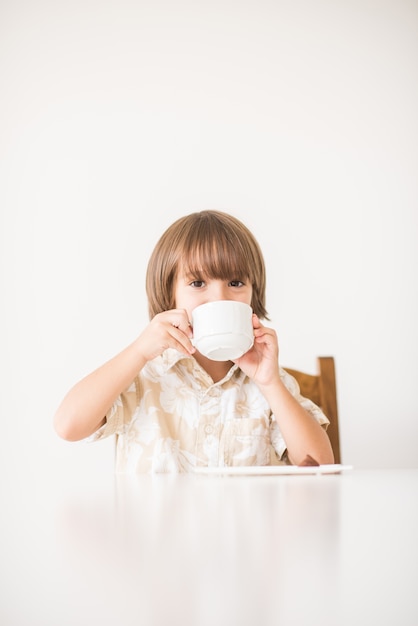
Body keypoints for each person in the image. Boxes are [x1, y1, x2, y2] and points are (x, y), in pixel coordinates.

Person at [54, 210, 334, 472]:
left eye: (235, 283)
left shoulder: (268, 382)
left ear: (253, 295)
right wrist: (139, 351)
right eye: (198, 283)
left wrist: (270, 383)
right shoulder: (144, 375)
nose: (219, 298)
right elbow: (68, 426)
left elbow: (320, 466)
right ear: (169, 295)